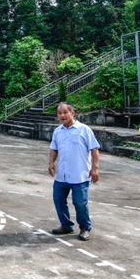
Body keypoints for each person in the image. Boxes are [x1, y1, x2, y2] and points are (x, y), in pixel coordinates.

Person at [48, 103, 100, 242]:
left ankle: (85, 227)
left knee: (80, 203)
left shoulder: (84, 130)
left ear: (72, 113)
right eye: (60, 113)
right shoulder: (57, 131)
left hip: (80, 175)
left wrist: (95, 168)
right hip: (62, 175)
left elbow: (94, 150)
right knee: (58, 200)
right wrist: (51, 163)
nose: (62, 115)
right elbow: (54, 149)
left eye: (65, 112)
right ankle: (66, 225)